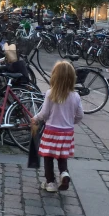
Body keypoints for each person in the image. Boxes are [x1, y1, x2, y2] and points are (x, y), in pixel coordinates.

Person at [31, 61, 84, 193]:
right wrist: (71, 122)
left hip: (51, 131)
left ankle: (50, 182)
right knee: (62, 155)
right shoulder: (76, 96)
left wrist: (35, 119)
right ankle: (64, 173)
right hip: (67, 132)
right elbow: (80, 115)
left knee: (48, 157)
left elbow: (44, 113)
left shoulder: (50, 93)